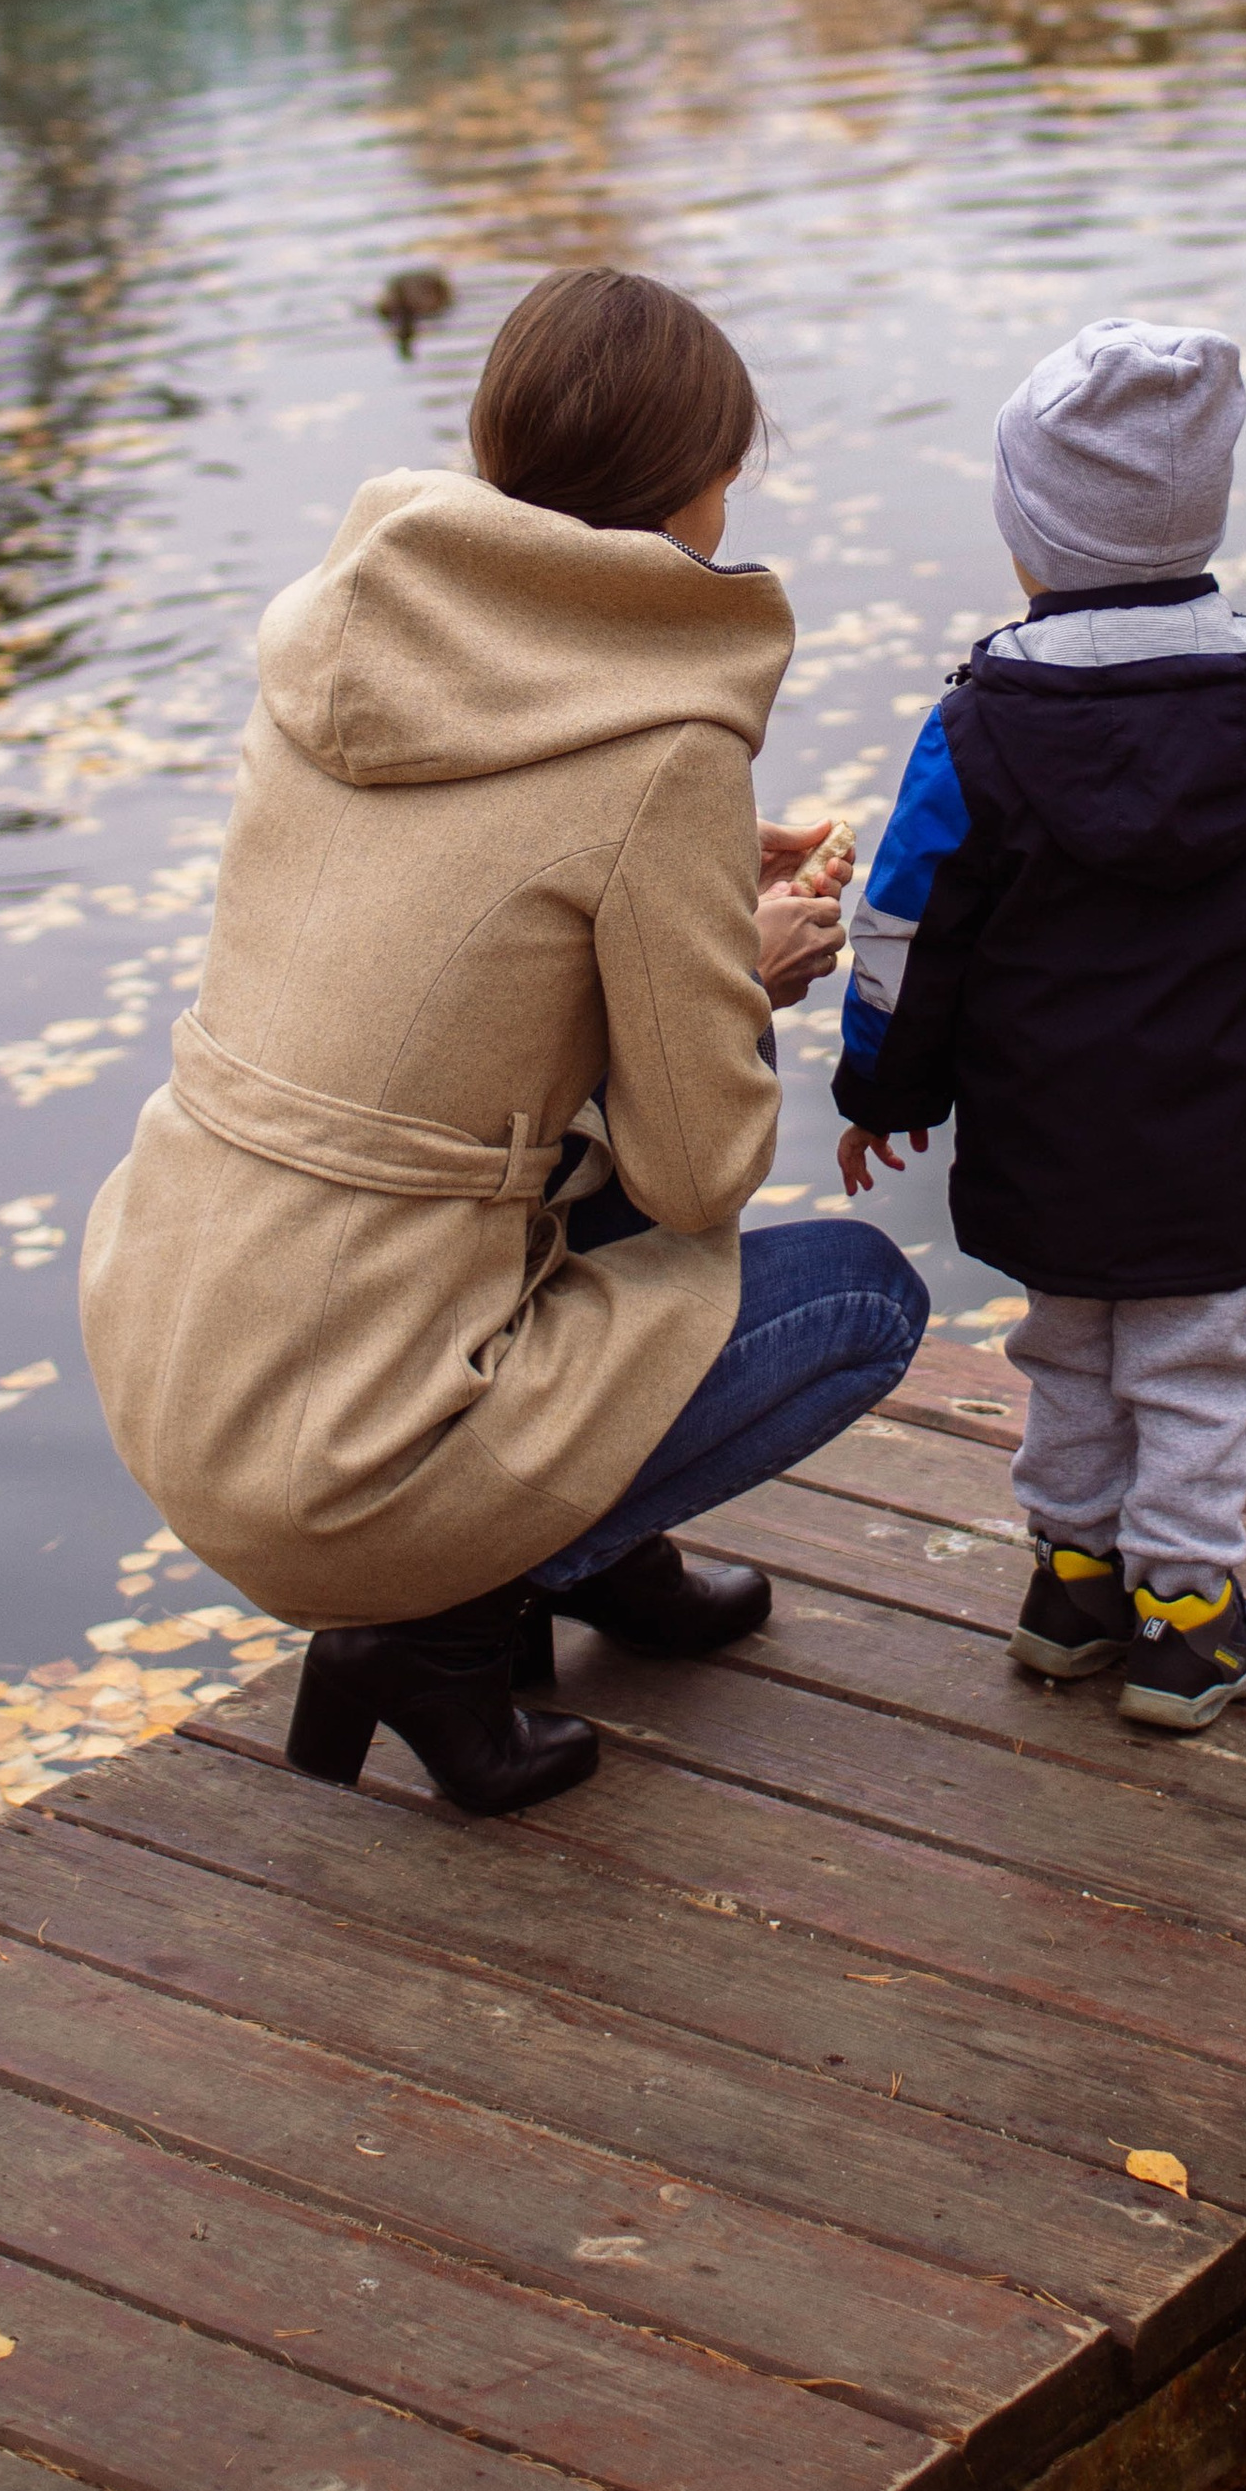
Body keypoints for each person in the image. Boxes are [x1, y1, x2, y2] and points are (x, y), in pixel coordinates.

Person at [81, 268, 928, 1818]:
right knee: (865, 1302)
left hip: (182, 1339)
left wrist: (670, 912)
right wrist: (733, 981)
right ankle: (448, 1626)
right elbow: (695, 1173)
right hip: (348, 1453)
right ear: (692, 486)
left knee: (547, 1175)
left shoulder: (347, 648)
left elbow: (454, 942)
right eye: (733, 470)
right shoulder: (661, 746)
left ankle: (586, 1562)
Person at [832, 315, 1246, 1730]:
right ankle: (1191, 1615)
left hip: (1044, 1131)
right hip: (1223, 1123)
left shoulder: (977, 730)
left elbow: (907, 929)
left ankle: (1075, 1581)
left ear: (1034, 538)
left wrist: (882, 1087)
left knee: (1067, 1341)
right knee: (1195, 1359)